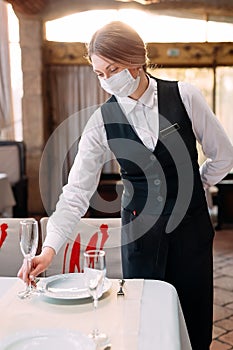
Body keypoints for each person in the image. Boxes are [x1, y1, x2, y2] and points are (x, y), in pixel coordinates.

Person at [18, 21, 233, 349]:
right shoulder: (101, 121)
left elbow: (224, 156)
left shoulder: (185, 96)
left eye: (112, 69)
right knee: (141, 324)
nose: (106, 80)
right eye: (99, 73)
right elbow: (76, 191)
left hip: (191, 230)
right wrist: (49, 250)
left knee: (194, 323)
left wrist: (197, 184)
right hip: (139, 235)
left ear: (135, 61)